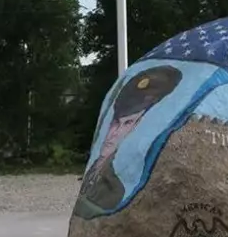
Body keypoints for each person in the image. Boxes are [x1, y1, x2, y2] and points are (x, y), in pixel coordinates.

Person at [72, 65, 182, 219]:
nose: (114, 134)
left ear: (135, 128)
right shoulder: (92, 173)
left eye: (127, 124)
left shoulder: (115, 191)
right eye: (115, 122)